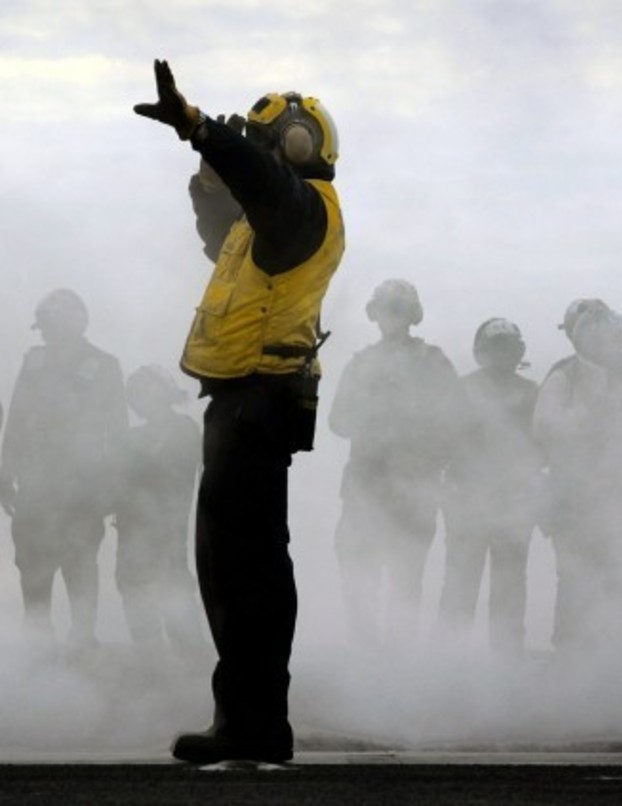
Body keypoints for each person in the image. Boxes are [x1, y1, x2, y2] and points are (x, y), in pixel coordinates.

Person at [135, 59, 345, 763]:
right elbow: (224, 225)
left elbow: (261, 188)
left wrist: (200, 130)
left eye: (264, 143)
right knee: (227, 568)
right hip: (239, 402)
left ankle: (258, 724)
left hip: (260, 402)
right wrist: (206, 175)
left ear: (290, 146)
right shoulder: (267, 224)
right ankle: (242, 719)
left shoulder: (304, 208)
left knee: (248, 569)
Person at [328, 279, 461, 647]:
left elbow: (457, 419)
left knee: (406, 578)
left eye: (399, 309)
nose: (392, 316)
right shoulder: (361, 364)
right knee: (358, 572)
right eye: (387, 308)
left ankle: (400, 668)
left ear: (411, 315)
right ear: (376, 314)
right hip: (364, 487)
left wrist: (414, 426)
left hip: (414, 488)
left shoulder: (433, 363)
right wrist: (373, 416)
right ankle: (365, 657)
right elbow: (338, 422)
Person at [534, 305, 622, 655]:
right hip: (576, 493)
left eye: (614, 339)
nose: (610, 345)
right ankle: (572, 653)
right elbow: (545, 429)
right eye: (600, 338)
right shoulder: (564, 376)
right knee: (577, 574)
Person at [0, 289, 127, 655]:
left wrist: (112, 487)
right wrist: (6, 474)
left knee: (81, 559)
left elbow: (116, 431)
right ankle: (37, 639)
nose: (46, 334)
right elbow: (17, 419)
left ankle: (82, 638)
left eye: (51, 325)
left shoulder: (104, 365)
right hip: (36, 482)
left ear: (76, 322)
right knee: (32, 560)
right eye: (44, 327)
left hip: (82, 484)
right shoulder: (34, 361)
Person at [437, 318, 542, 657]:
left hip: (513, 501)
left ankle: (507, 659)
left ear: (518, 352)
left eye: (508, 347)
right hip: (468, 500)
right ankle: (450, 658)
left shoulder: (531, 393)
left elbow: (543, 445)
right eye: (496, 347)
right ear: (481, 352)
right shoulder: (461, 390)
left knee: (509, 584)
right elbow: (443, 441)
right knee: (460, 583)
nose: (502, 354)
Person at [113, 365, 204, 659]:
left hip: (167, 523)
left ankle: (190, 656)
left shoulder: (185, 429)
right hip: (131, 525)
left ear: (165, 394)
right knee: (132, 583)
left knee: (172, 583)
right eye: (137, 393)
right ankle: (150, 656)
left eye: (148, 390)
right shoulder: (131, 436)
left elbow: (174, 472)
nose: (142, 399)